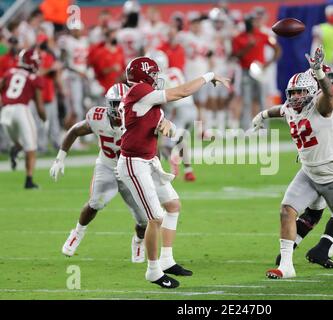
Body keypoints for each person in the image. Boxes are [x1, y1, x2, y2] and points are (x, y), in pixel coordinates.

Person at [253, 47, 333, 279]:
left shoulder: (321, 106)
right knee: (286, 210)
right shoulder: (291, 107)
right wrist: (261, 116)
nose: (295, 97)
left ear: (311, 91)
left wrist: (319, 73)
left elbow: (330, 95)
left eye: (300, 92)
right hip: (309, 172)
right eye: (292, 92)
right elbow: (279, 110)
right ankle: (286, 267)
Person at [49, 83, 193, 274]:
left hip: (132, 168)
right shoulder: (98, 117)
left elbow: (153, 142)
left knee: (144, 219)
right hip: (107, 166)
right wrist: (60, 158)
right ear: (108, 103)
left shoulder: (139, 117)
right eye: (115, 103)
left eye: (122, 103)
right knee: (96, 203)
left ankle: (139, 240)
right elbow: (75, 130)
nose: (118, 108)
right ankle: (77, 232)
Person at [116, 56, 229, 288]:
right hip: (133, 163)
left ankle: (167, 260)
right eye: (153, 74)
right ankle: (153, 271)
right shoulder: (139, 91)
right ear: (143, 76)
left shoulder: (145, 96)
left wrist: (168, 126)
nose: (157, 79)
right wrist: (209, 76)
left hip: (149, 161)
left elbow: (164, 124)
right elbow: (182, 92)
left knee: (173, 205)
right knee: (155, 217)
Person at [147, 50, 197, 181]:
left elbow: (161, 99)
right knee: (181, 141)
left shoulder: (159, 78)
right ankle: (189, 171)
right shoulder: (176, 71)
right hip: (192, 108)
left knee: (165, 145)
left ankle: (173, 165)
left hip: (177, 110)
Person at [0, 48, 46, 188]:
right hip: (21, 110)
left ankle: (15, 148)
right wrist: (44, 119)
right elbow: (39, 105)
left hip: (5, 111)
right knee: (31, 147)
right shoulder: (34, 78)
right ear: (32, 62)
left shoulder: (9, 72)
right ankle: (29, 180)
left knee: (21, 143)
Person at [232, 14, 281, 130]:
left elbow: (277, 48)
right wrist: (248, 47)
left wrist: (268, 63)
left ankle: (265, 128)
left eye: (252, 22)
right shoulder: (238, 37)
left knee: (262, 100)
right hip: (246, 70)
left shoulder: (263, 35)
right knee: (246, 101)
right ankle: (245, 128)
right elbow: (236, 56)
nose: (251, 24)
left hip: (259, 71)